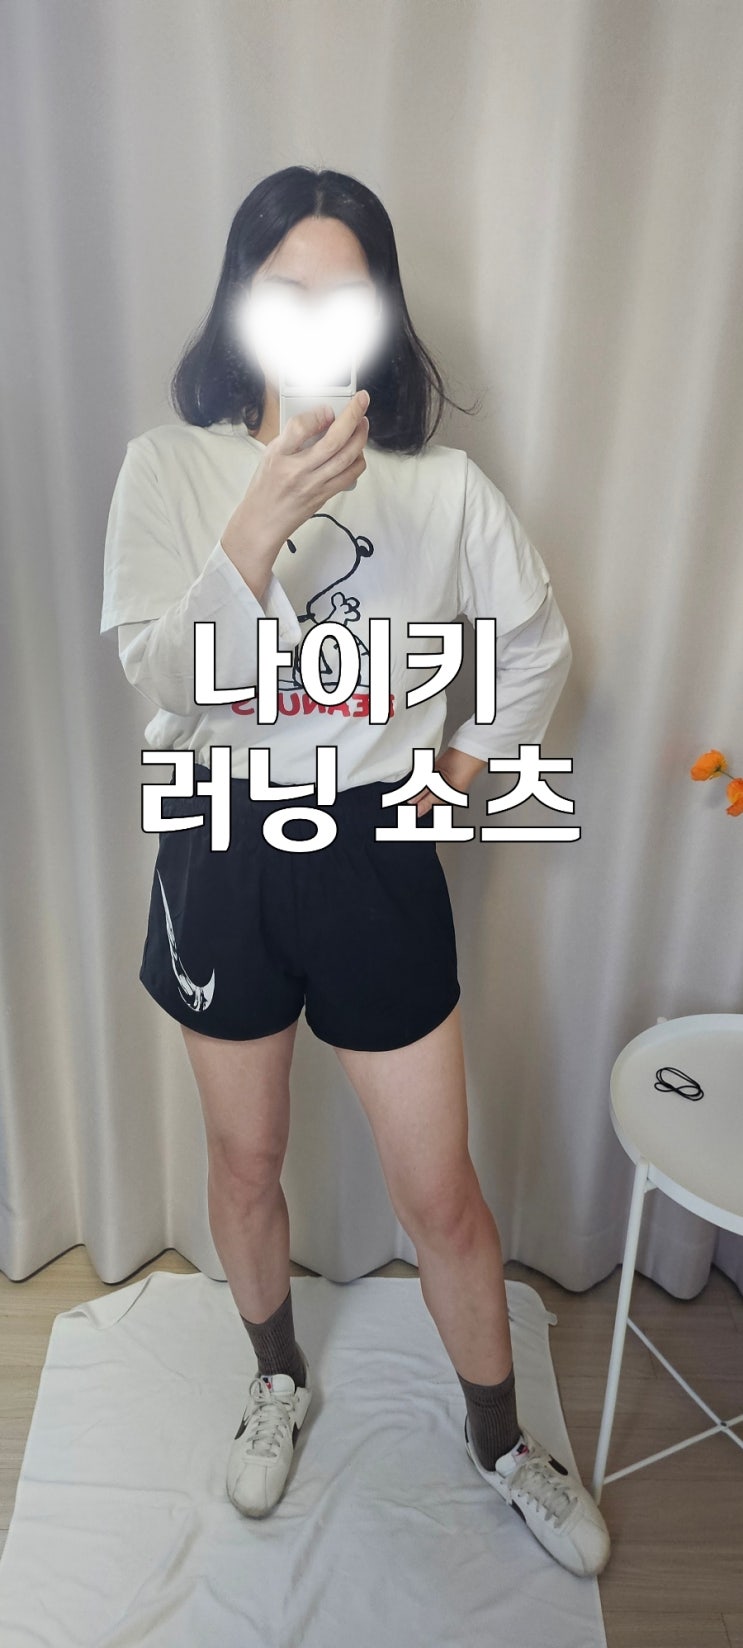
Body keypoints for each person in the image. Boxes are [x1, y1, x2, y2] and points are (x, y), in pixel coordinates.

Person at [100, 165, 610, 1576]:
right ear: (241, 305)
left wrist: (448, 780)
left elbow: (537, 645)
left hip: (374, 844)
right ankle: (276, 1379)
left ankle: (501, 1441)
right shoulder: (170, 469)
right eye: (287, 294)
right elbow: (169, 680)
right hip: (220, 838)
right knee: (245, 1157)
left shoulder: (441, 488)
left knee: (439, 1191)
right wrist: (257, 522)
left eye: (346, 297)